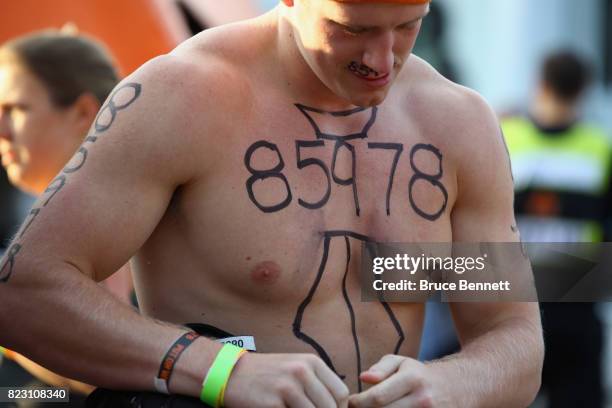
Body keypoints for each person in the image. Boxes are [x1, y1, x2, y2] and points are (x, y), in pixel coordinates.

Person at [0, 1, 543, 407]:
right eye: (353, 29)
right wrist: (220, 370)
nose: (383, 60)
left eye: (408, 24)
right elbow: (23, 291)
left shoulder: (457, 122)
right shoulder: (186, 94)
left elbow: (513, 335)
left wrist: (451, 385)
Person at [0, 30, 133, 398]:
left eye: (15, 109)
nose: (2, 130)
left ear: (82, 112)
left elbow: (113, 374)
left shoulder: (107, 211)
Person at [502, 51, 609, 408]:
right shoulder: (599, 148)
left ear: (540, 84)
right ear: (583, 90)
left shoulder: (504, 136)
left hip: (512, 302)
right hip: (575, 301)